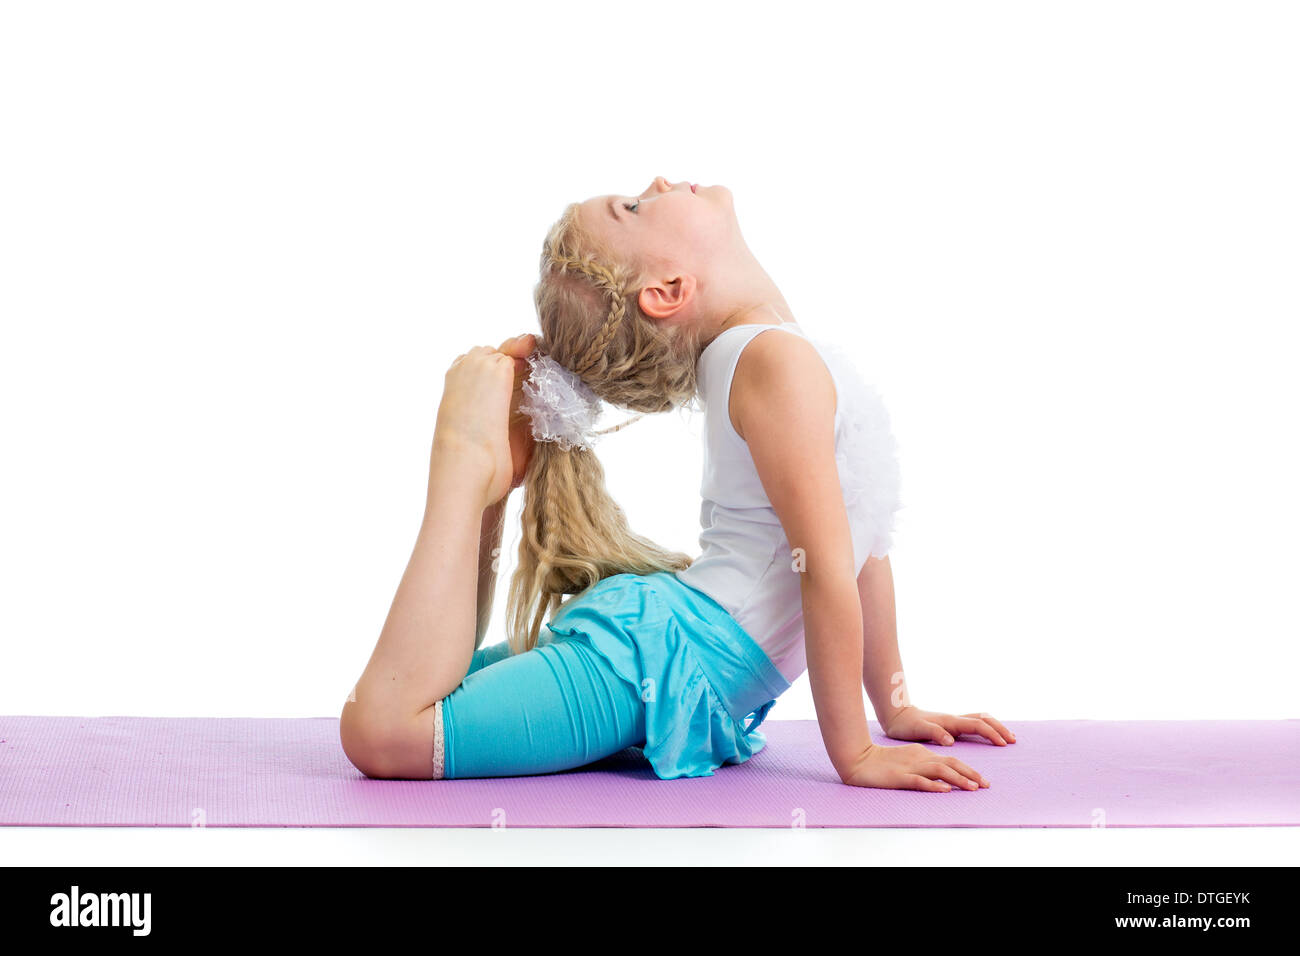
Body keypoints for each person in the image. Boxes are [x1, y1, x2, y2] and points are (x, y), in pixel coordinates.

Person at [339, 177, 1014, 791]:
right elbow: (827, 568)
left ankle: (483, 477)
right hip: (660, 658)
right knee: (388, 727)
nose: (658, 183)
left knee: (417, 701)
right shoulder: (774, 362)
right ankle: (469, 463)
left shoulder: (775, 353)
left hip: (673, 652)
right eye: (633, 206)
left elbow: (861, 541)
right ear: (667, 290)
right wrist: (855, 754)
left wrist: (893, 707)